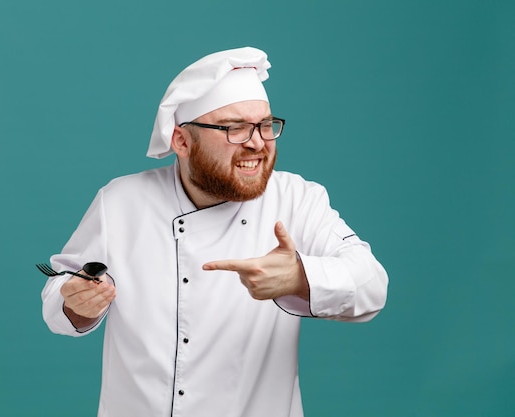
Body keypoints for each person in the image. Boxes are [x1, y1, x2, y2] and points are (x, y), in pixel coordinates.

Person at [41, 46, 388, 417]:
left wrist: (300, 276)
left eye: (265, 125)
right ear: (182, 141)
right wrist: (77, 303)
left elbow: (372, 285)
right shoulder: (121, 202)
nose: (257, 142)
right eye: (235, 128)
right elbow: (60, 291)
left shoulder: (297, 199)